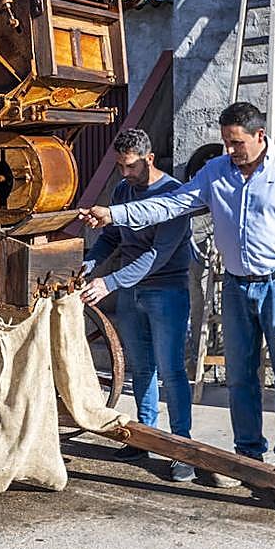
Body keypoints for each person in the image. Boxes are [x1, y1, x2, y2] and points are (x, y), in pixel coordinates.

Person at [78, 102, 275, 481]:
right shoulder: (216, 172)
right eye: (226, 143)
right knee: (240, 377)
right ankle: (248, 457)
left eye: (237, 143)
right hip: (235, 287)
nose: (230, 151)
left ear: (259, 136)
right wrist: (114, 214)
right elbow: (170, 205)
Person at [79, 128, 195, 483]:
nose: (124, 174)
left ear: (149, 159)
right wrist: (89, 263)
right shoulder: (122, 190)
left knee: (171, 370)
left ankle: (181, 447)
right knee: (141, 368)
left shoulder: (175, 194)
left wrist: (109, 282)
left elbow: (156, 256)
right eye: (119, 166)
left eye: (130, 167)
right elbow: (111, 236)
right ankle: (144, 435)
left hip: (165, 289)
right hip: (131, 292)